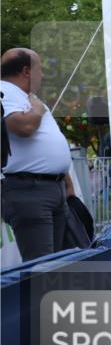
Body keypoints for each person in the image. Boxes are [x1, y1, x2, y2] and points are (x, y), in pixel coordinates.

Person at [1, 48, 76, 261]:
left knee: (55, 263)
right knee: (40, 266)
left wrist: (65, 179)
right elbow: (22, 127)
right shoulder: (4, 92)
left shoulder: (25, 96)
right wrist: (38, 110)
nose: (42, 75)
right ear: (26, 71)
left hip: (48, 187)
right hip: (29, 190)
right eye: (39, 69)